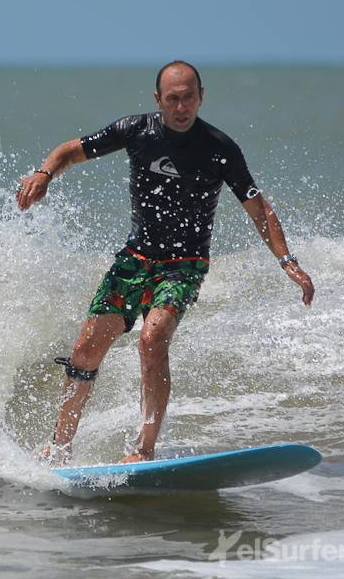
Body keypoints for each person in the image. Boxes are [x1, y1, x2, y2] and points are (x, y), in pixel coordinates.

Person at [16, 61, 315, 467]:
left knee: (151, 340)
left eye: (189, 97)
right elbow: (72, 150)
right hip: (136, 258)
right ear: (158, 100)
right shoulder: (136, 130)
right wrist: (44, 173)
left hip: (184, 264)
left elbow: (257, 207)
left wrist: (287, 260)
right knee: (85, 351)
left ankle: (143, 448)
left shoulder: (219, 148)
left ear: (201, 96)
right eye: (172, 98)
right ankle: (60, 447)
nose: (181, 106)